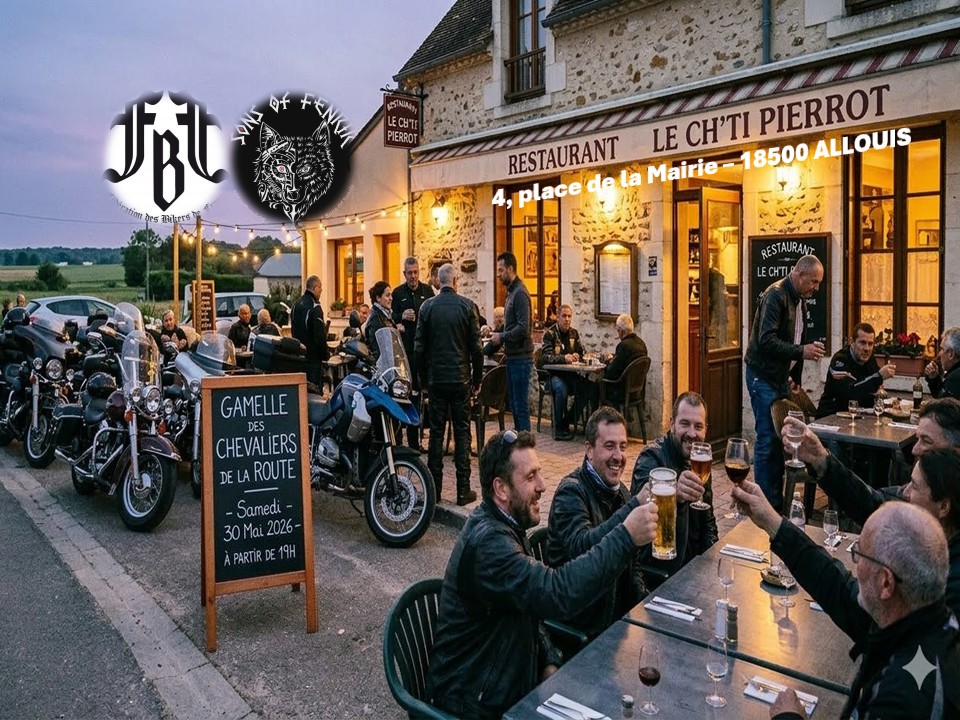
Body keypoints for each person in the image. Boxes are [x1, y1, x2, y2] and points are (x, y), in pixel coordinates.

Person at [426, 430, 658, 719]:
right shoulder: (490, 545)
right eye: (530, 477)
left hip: (506, 686)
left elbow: (526, 605)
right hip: (473, 704)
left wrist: (548, 659)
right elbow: (556, 592)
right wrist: (625, 536)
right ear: (501, 489)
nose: (543, 485)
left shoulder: (506, 525)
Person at [733, 484, 960, 719]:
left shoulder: (903, 695)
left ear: (886, 583)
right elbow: (838, 588)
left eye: (860, 554)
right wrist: (772, 522)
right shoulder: (923, 622)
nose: (855, 565)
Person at [545, 407, 650, 638]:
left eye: (623, 447)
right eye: (609, 446)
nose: (618, 456)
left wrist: (645, 608)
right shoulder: (571, 492)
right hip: (583, 625)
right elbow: (583, 550)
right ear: (589, 450)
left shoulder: (620, 491)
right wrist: (633, 509)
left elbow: (633, 565)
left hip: (617, 623)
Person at [744, 254, 825, 509]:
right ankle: (764, 503)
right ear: (799, 275)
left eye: (818, 283)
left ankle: (775, 501)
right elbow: (766, 341)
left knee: (781, 438)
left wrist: (795, 378)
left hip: (780, 378)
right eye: (813, 281)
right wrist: (802, 352)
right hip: (763, 375)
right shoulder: (775, 295)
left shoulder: (799, 300)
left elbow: (796, 336)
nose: (816, 287)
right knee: (768, 436)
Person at [631, 391, 717, 587]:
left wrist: (712, 564)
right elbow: (641, 506)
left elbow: (709, 522)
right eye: (684, 424)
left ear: (706, 429)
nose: (692, 433)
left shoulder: (701, 460)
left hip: (694, 573)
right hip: (659, 574)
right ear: (672, 424)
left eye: (698, 426)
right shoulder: (651, 458)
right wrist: (674, 494)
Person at [414, 263, 483, 505]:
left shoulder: (427, 307)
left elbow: (419, 348)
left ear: (438, 281)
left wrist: (422, 380)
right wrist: (477, 380)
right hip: (460, 379)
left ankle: (434, 489)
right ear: (455, 282)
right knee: (462, 433)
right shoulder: (467, 307)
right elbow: (476, 349)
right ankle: (463, 490)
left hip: (436, 380)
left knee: (436, 433)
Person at [392, 257, 434, 449]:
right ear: (404, 274)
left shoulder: (427, 291)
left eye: (416, 272)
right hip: (405, 355)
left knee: (421, 398)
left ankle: (419, 440)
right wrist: (400, 317)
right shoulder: (397, 293)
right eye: (409, 273)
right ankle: (405, 441)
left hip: (424, 354)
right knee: (405, 396)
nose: (413, 276)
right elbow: (390, 318)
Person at [490, 251, 534, 431]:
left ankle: (526, 448)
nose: (498, 274)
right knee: (514, 407)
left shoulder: (520, 293)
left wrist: (502, 337)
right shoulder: (511, 293)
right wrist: (495, 334)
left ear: (510, 269)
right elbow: (510, 325)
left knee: (520, 407)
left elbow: (524, 328)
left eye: (501, 270)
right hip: (513, 357)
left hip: (521, 359)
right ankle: (519, 448)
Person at [816, 322, 897, 417]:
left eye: (870, 344)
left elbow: (871, 388)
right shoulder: (840, 360)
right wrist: (879, 377)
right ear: (852, 342)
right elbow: (849, 394)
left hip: (858, 417)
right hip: (831, 417)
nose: (867, 348)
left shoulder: (869, 359)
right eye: (862, 343)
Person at [538, 304, 585, 440]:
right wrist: (564, 358)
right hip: (552, 376)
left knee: (589, 388)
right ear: (558, 317)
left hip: (570, 375)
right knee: (561, 388)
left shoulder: (573, 333)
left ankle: (567, 421)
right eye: (564, 316)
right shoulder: (550, 334)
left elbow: (582, 353)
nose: (567, 319)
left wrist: (577, 356)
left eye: (569, 316)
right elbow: (545, 358)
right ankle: (558, 430)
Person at [291, 274, 329, 386]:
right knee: (314, 391)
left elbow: (293, 329)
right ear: (315, 288)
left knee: (302, 390)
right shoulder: (315, 307)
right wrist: (325, 355)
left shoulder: (296, 305)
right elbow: (319, 336)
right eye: (320, 288)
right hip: (313, 359)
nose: (321, 291)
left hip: (299, 356)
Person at [602, 314, 648, 406]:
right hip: (637, 391)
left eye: (618, 331)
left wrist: (609, 360)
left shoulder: (623, 346)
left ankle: (601, 419)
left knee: (596, 388)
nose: (618, 334)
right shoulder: (641, 344)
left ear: (622, 332)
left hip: (621, 393)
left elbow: (611, 373)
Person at [924, 326, 960, 401]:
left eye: (942, 349)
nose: (939, 354)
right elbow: (941, 397)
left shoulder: (954, 379)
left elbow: (944, 408)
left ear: (951, 354)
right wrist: (934, 378)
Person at [364, 281, 396, 361]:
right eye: (387, 295)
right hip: (382, 366)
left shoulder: (385, 315)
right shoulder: (376, 318)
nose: (391, 298)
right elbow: (376, 347)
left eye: (391, 295)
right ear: (378, 298)